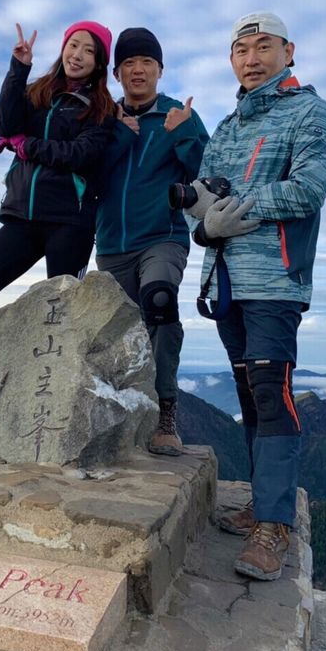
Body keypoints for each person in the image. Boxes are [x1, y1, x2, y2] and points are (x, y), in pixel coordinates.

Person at [186, 13, 326, 581]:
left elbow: (309, 188)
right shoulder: (227, 126)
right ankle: (261, 503)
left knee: (272, 394)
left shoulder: (309, 112)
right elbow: (202, 194)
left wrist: (233, 211)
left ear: (288, 51)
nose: (252, 58)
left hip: (276, 281)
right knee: (250, 395)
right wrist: (205, 226)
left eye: (263, 46)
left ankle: (273, 526)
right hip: (226, 278)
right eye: (241, 49)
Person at [95, 27, 208, 456]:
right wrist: (119, 133)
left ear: (161, 69)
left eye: (146, 63)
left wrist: (183, 134)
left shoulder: (179, 116)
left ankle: (166, 411)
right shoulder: (104, 119)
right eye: (128, 64)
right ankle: (115, 411)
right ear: (117, 73)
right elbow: (92, 175)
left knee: (158, 301)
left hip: (163, 237)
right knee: (116, 330)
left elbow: (208, 177)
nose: (138, 70)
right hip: (111, 243)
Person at [0, 20, 116, 326]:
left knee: (61, 316)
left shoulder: (102, 107)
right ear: (63, 49)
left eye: (89, 51)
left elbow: (80, 155)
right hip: (23, 217)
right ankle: (8, 361)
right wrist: (19, 68)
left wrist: (25, 145)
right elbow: (4, 126)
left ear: (99, 63)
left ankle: (64, 374)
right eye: (73, 45)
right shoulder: (37, 91)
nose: (78, 55)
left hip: (70, 222)